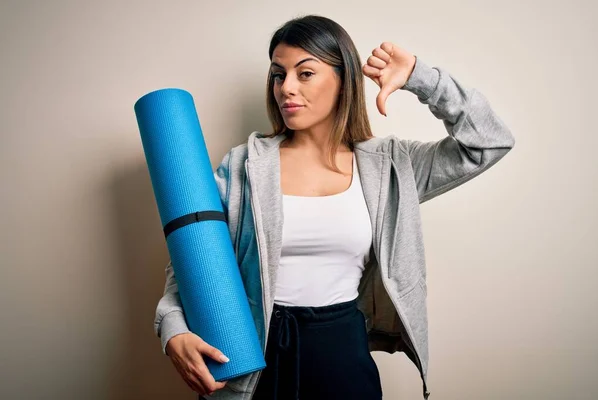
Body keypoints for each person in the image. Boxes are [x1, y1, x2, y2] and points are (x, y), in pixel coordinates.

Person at [154, 14, 515, 400]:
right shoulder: (244, 167)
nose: (286, 88)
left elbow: (488, 143)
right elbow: (191, 261)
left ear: (343, 79)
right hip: (252, 354)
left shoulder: (391, 167)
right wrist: (172, 327)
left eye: (305, 73)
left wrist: (419, 77)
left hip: (341, 351)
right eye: (279, 74)